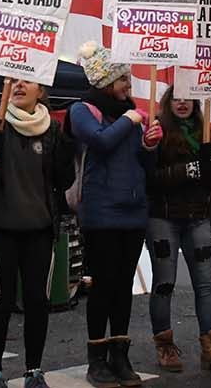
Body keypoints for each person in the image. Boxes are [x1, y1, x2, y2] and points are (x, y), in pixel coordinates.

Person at [0, 78, 76, 388]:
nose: (18, 85)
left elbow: (63, 180)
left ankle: (33, 371)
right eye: (13, 80)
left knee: (37, 300)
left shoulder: (51, 129)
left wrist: (67, 152)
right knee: (0, 300)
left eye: (27, 80)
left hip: (39, 227)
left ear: (41, 91)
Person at [66, 41, 158, 388]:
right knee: (103, 286)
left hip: (133, 213)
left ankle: (121, 353)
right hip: (101, 213)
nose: (128, 87)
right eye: (122, 80)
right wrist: (131, 118)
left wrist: (150, 145)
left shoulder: (130, 116)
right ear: (105, 80)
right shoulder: (81, 111)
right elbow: (101, 142)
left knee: (122, 287)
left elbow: (144, 165)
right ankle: (97, 358)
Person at [144, 89, 211, 376]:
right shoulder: (157, 130)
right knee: (164, 283)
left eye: (188, 97)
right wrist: (189, 170)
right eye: (177, 98)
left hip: (198, 218)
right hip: (163, 219)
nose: (183, 102)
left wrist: (207, 160)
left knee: (206, 284)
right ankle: (165, 345)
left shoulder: (203, 130)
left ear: (196, 101)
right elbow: (151, 179)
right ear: (168, 102)